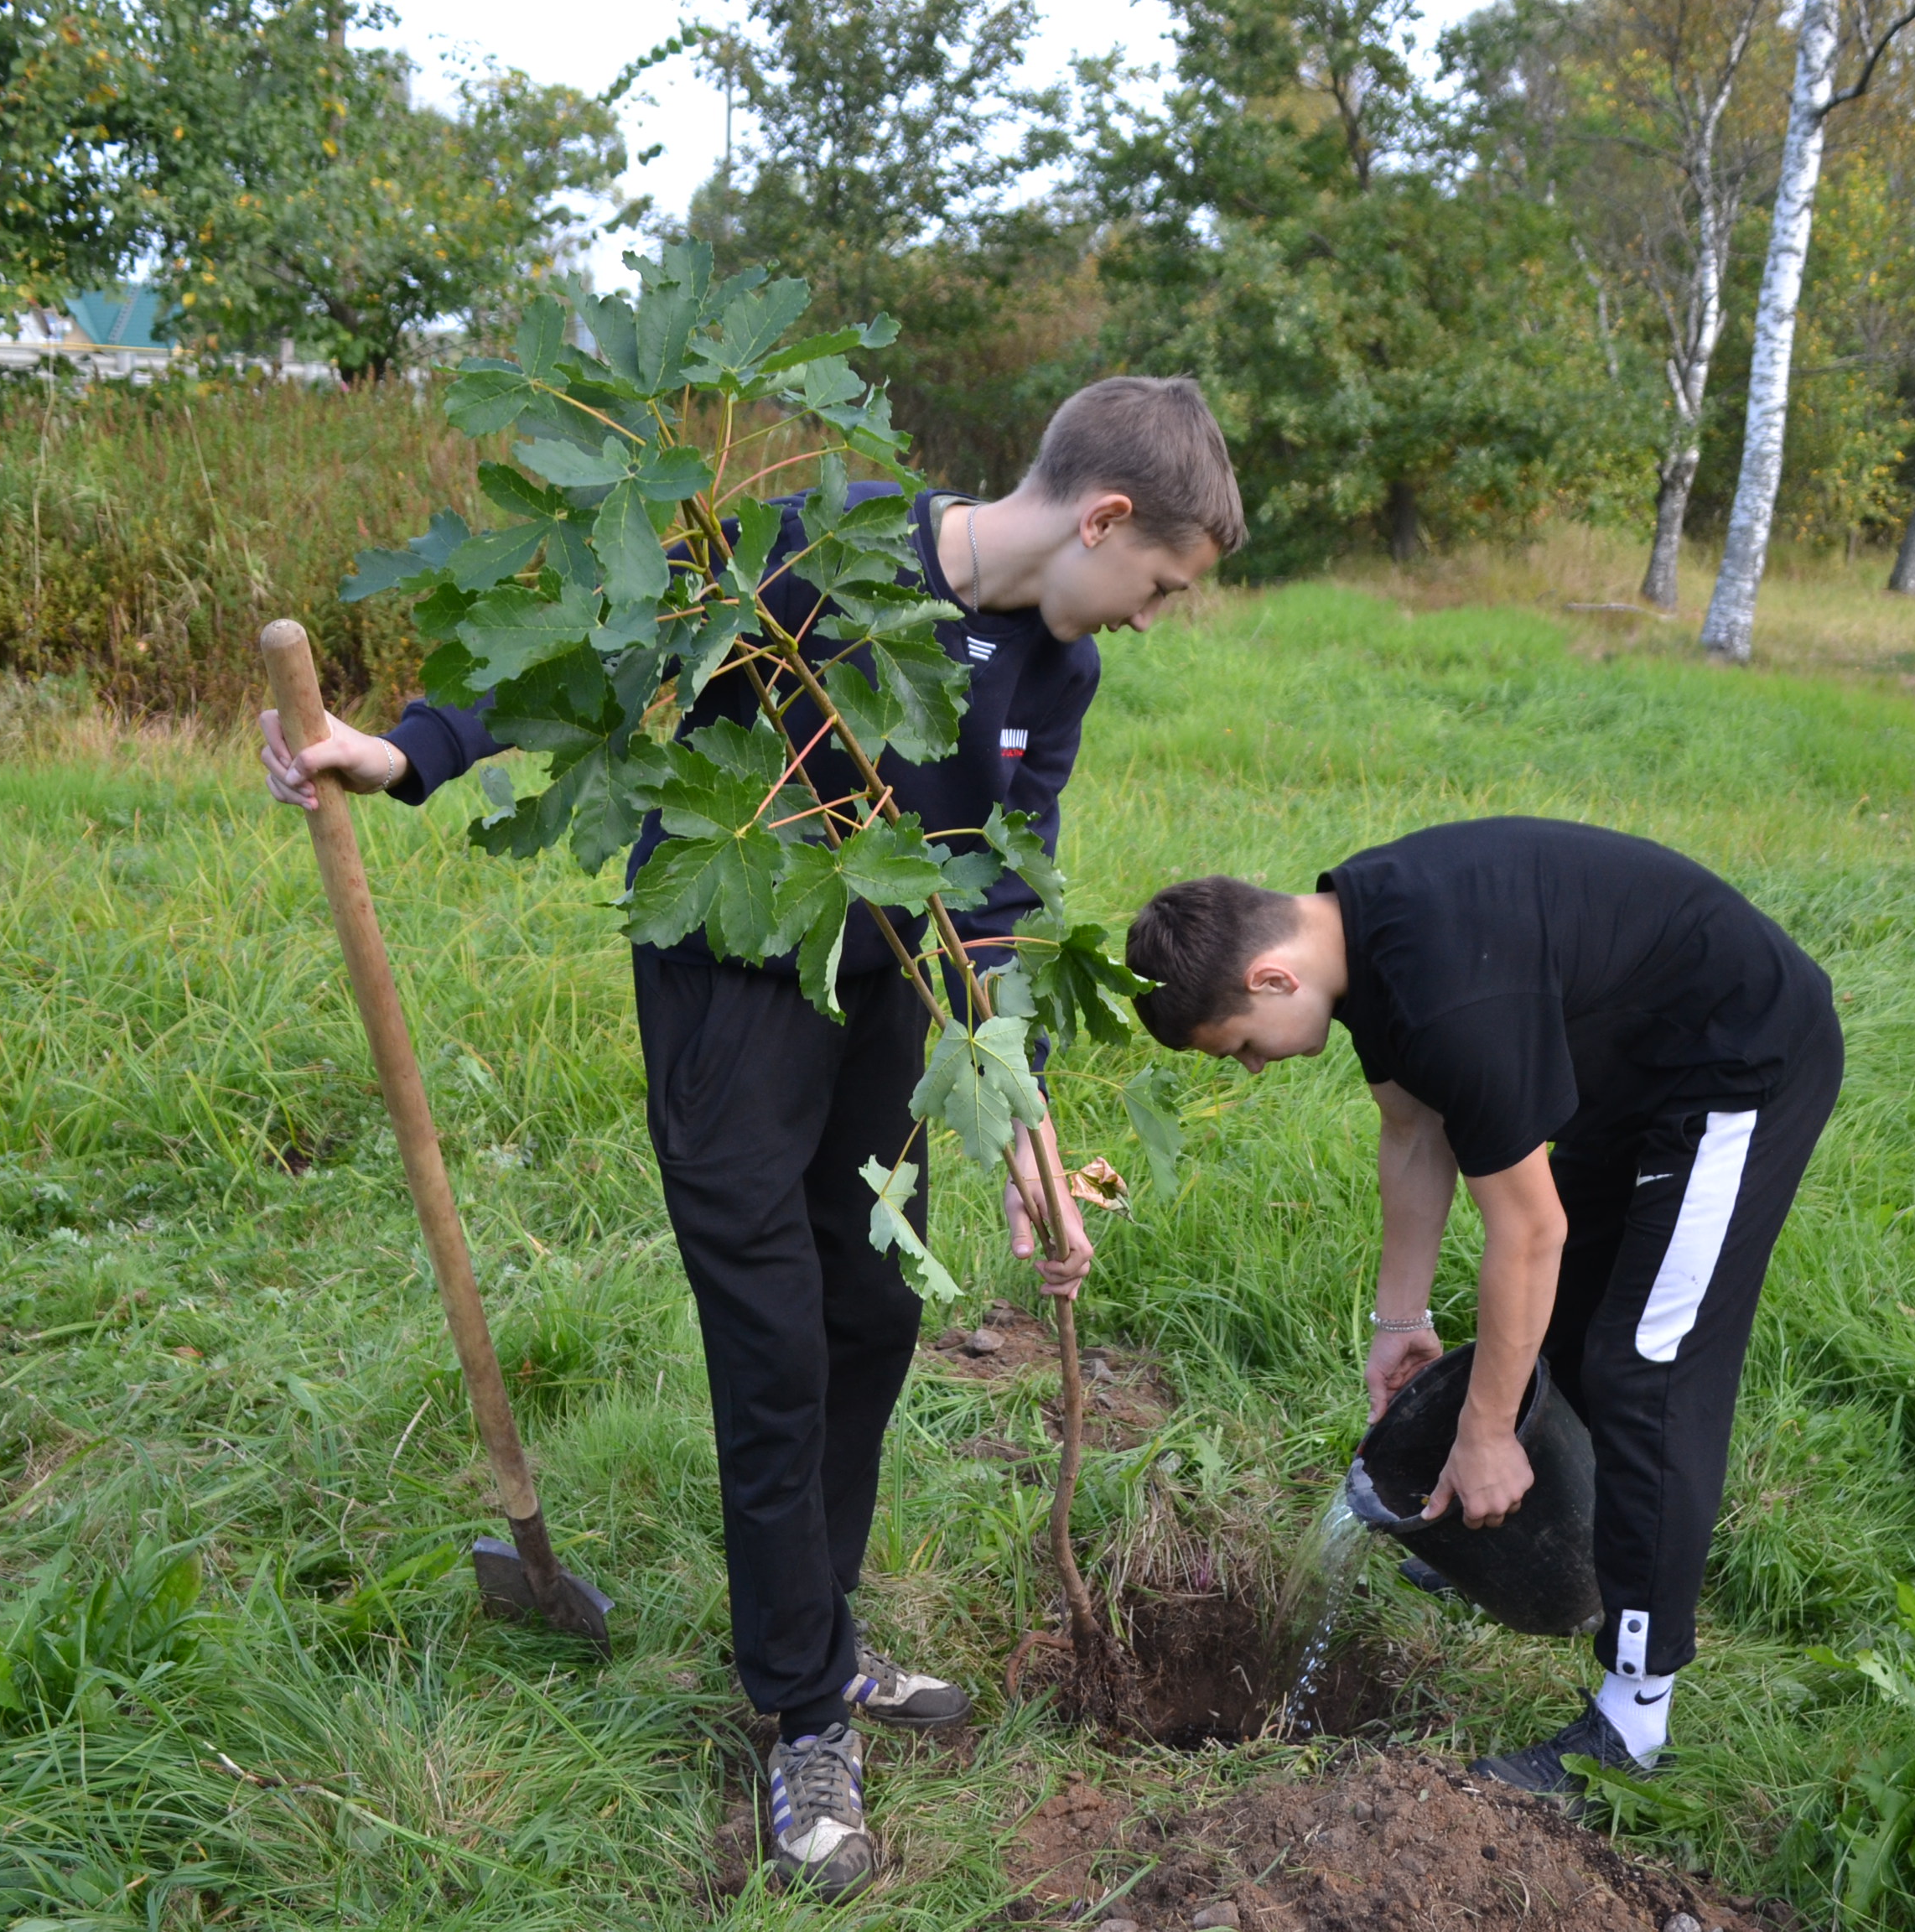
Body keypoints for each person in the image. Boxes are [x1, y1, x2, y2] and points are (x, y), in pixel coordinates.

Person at [262, 377, 1246, 1898]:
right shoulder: (820, 549)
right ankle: (799, 1709)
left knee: (867, 1308)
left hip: (889, 1002)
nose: (1154, 613)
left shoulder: (1056, 672)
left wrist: (1015, 1112)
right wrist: (410, 752)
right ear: (1103, 518)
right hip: (732, 977)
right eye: (1162, 583)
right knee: (775, 1340)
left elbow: (996, 887)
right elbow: (602, 650)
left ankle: (819, 1635)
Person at [1123, 816, 1841, 1788]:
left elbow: (1529, 1232)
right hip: (1632, 1078)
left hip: (1738, 1067)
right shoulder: (1359, 926)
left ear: (1272, 979)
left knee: (1645, 1367)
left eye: (1240, 1047)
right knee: (1575, 1327)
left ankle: (1633, 1723)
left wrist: (1488, 1430)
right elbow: (1415, 1133)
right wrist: (1400, 1320)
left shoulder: (1446, 996)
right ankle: (1545, 1549)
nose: (1251, 1068)